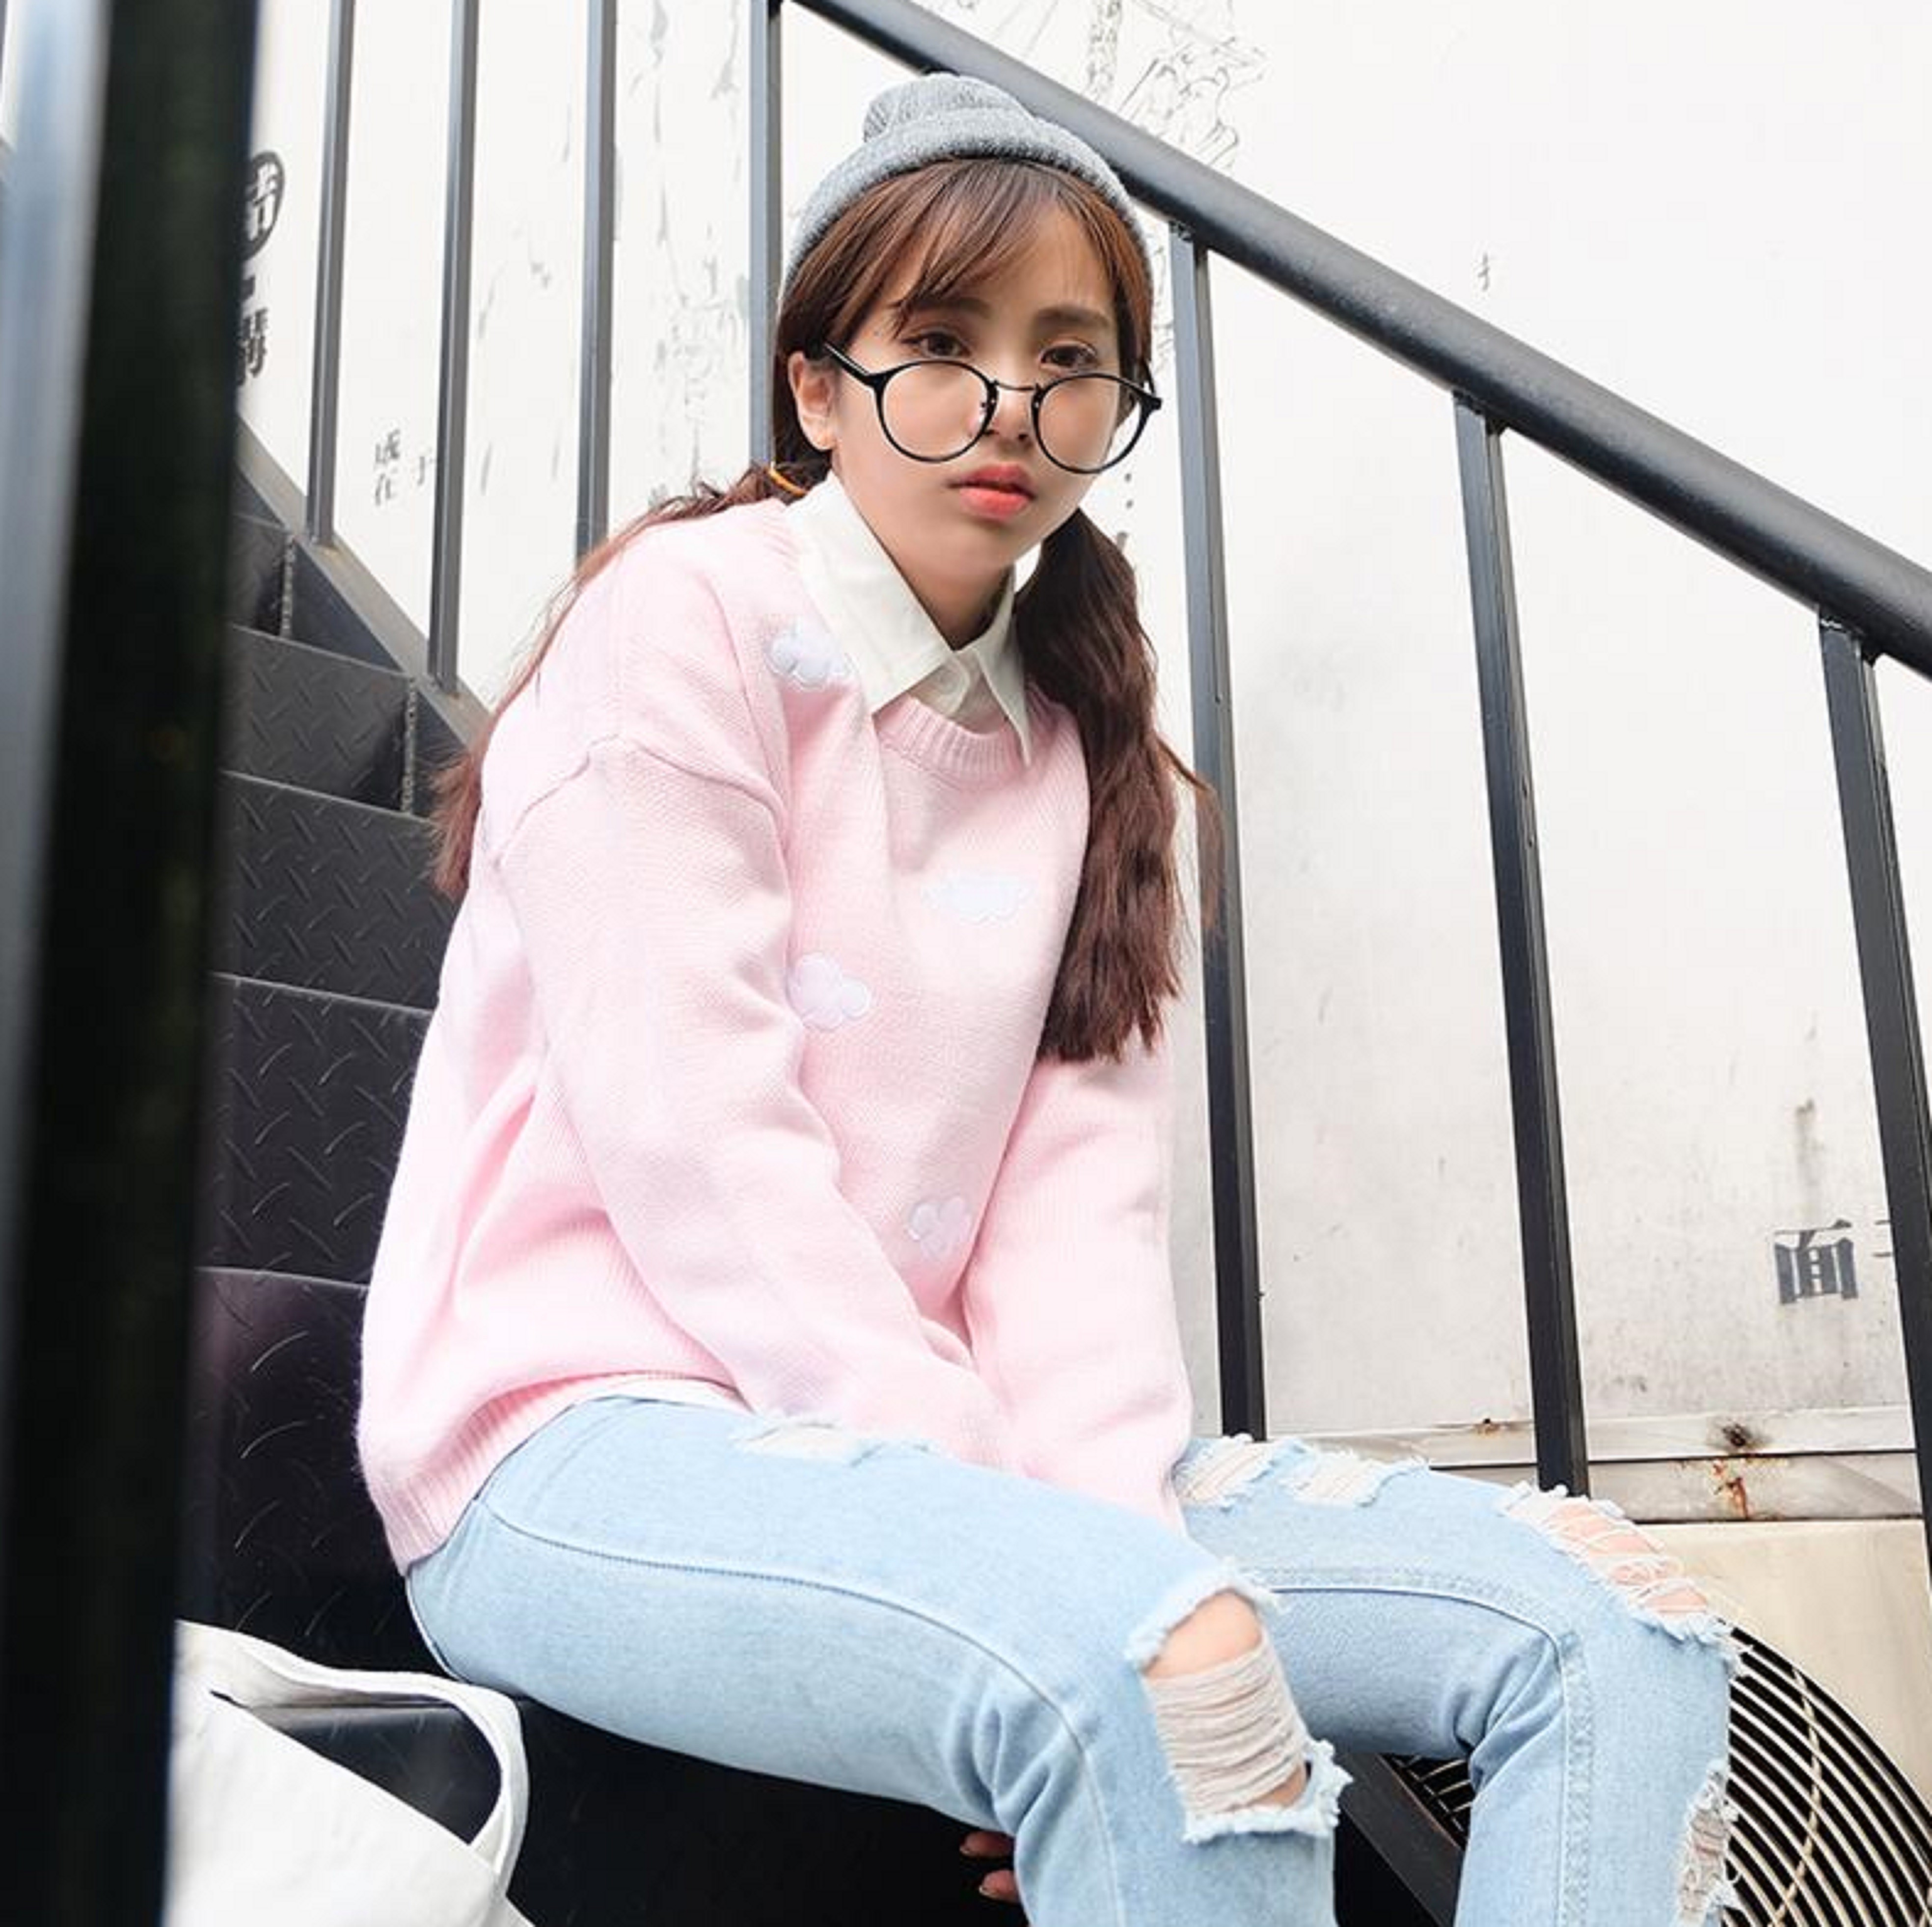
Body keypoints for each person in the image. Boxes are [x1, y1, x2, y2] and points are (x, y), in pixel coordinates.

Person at [355, 72, 1741, 1926]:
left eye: (1069, 360)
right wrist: (1080, 1608)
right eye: (942, 344)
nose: (1010, 406)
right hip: (579, 1441)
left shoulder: (1102, 757)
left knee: (1617, 1624)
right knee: (1171, 1674)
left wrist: (1099, 1567)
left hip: (958, 1449)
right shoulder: (682, 619)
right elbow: (704, 1146)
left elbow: (1075, 1247)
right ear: (817, 386)